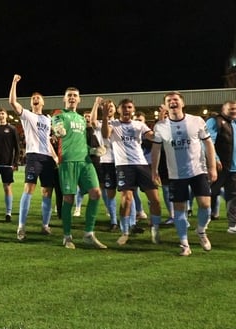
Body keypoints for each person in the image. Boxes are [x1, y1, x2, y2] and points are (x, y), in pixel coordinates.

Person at [150, 91, 217, 256]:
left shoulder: (196, 121)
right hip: (175, 174)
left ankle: (201, 230)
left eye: (175, 99)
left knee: (206, 205)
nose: (172, 102)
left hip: (198, 170)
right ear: (165, 106)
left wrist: (212, 166)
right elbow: (156, 149)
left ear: (182, 103)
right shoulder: (160, 126)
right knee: (179, 209)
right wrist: (154, 170)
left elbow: (208, 144)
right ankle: (184, 244)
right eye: (169, 101)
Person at [50, 88, 107, 249]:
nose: (72, 98)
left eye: (75, 96)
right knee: (69, 198)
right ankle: (67, 237)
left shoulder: (82, 120)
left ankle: (89, 234)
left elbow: (82, 143)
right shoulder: (59, 113)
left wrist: (94, 151)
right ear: (64, 99)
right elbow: (57, 125)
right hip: (68, 161)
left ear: (79, 99)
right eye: (70, 96)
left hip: (85, 161)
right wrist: (58, 130)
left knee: (96, 193)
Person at [101, 98, 162, 245]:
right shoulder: (113, 124)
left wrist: (161, 123)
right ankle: (125, 232)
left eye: (129, 107)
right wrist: (103, 116)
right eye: (124, 107)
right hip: (124, 166)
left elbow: (153, 137)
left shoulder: (139, 124)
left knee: (155, 199)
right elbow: (105, 135)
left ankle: (155, 230)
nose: (127, 110)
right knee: (126, 199)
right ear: (119, 110)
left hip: (141, 164)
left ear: (133, 109)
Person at [8, 74, 57, 240]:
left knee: (47, 191)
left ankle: (45, 225)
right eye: (33, 98)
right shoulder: (28, 115)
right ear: (31, 103)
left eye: (38, 98)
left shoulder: (48, 120)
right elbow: (12, 103)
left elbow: (48, 140)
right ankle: (21, 227)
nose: (36, 99)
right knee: (29, 188)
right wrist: (14, 82)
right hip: (33, 156)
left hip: (47, 158)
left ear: (43, 102)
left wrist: (55, 156)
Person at [206, 100, 236, 236]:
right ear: (223, 109)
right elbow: (208, 142)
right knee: (209, 194)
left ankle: (234, 225)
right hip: (219, 167)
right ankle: (204, 220)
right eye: (231, 109)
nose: (235, 111)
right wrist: (215, 160)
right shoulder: (215, 121)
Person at [89, 98, 120, 231]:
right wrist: (96, 104)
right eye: (106, 106)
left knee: (130, 192)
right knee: (108, 192)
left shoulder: (120, 123)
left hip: (122, 162)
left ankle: (131, 221)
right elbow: (92, 121)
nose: (109, 108)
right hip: (106, 162)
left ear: (115, 109)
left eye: (111, 106)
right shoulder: (100, 123)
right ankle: (114, 221)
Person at [0, 107, 21, 222]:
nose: (0, 115)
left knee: (7, 187)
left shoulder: (12, 129)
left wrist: (15, 162)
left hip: (7, 164)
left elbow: (17, 147)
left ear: (6, 115)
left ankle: (8, 213)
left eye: (2, 113)